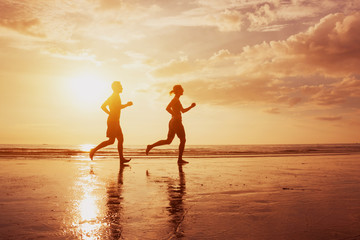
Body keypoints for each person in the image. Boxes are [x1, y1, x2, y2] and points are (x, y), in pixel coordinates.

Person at [146, 85, 196, 164]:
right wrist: (175, 115)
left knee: (168, 141)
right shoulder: (175, 99)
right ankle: (179, 159)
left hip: (172, 122)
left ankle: (150, 146)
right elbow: (167, 108)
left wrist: (191, 107)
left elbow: (183, 111)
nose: (183, 90)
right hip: (176, 122)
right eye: (181, 89)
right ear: (178, 90)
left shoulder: (177, 100)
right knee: (183, 140)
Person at [90, 81, 133, 164]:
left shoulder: (114, 96)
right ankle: (93, 150)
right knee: (111, 141)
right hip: (113, 121)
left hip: (115, 120)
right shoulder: (115, 96)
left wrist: (109, 113)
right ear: (116, 88)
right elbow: (117, 107)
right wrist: (127, 105)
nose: (122, 88)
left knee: (120, 139)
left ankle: (121, 159)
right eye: (120, 86)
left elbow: (103, 106)